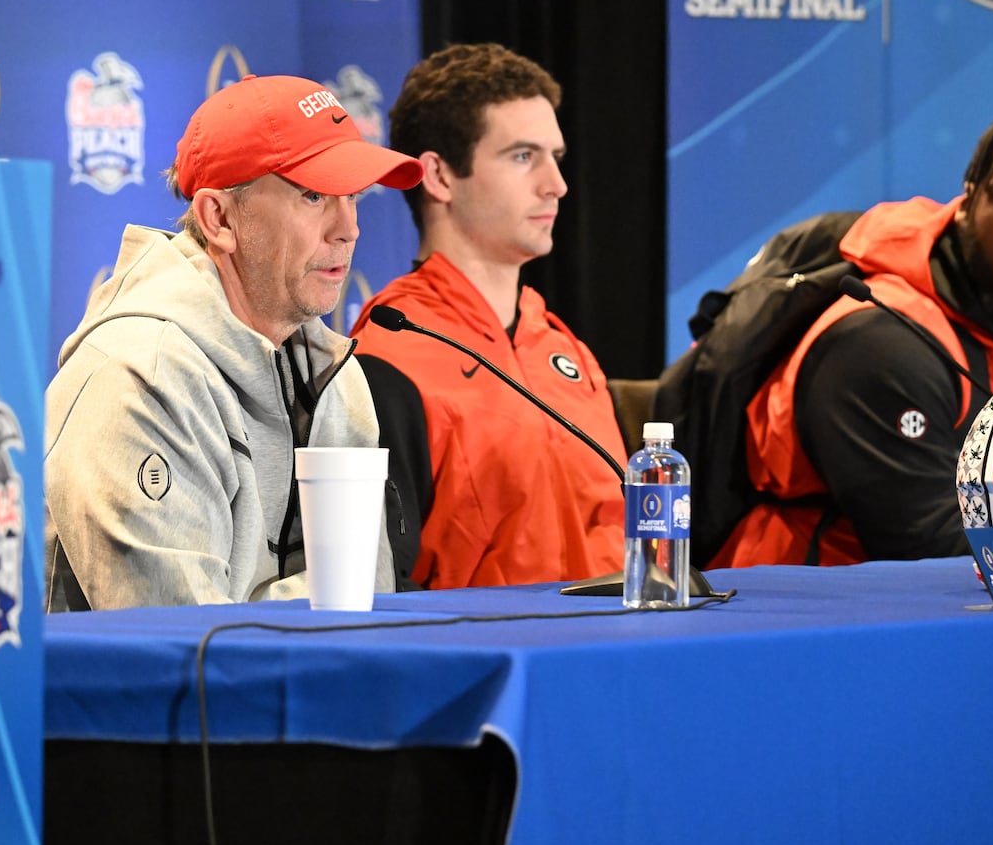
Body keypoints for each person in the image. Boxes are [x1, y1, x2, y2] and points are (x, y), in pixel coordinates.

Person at [44, 74, 423, 609]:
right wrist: (330, 601)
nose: (348, 229)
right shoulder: (137, 378)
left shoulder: (337, 375)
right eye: (314, 196)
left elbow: (369, 599)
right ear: (219, 218)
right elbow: (177, 645)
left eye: (354, 196)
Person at [712, 106, 993, 568]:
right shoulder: (879, 339)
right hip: (810, 608)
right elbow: (928, 545)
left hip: (992, 606)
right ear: (967, 203)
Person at [350, 43, 626, 589]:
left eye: (556, 157)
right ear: (439, 176)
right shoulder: (388, 359)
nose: (556, 184)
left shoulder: (565, 349)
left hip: (608, 663)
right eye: (523, 156)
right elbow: (375, 592)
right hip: (486, 665)